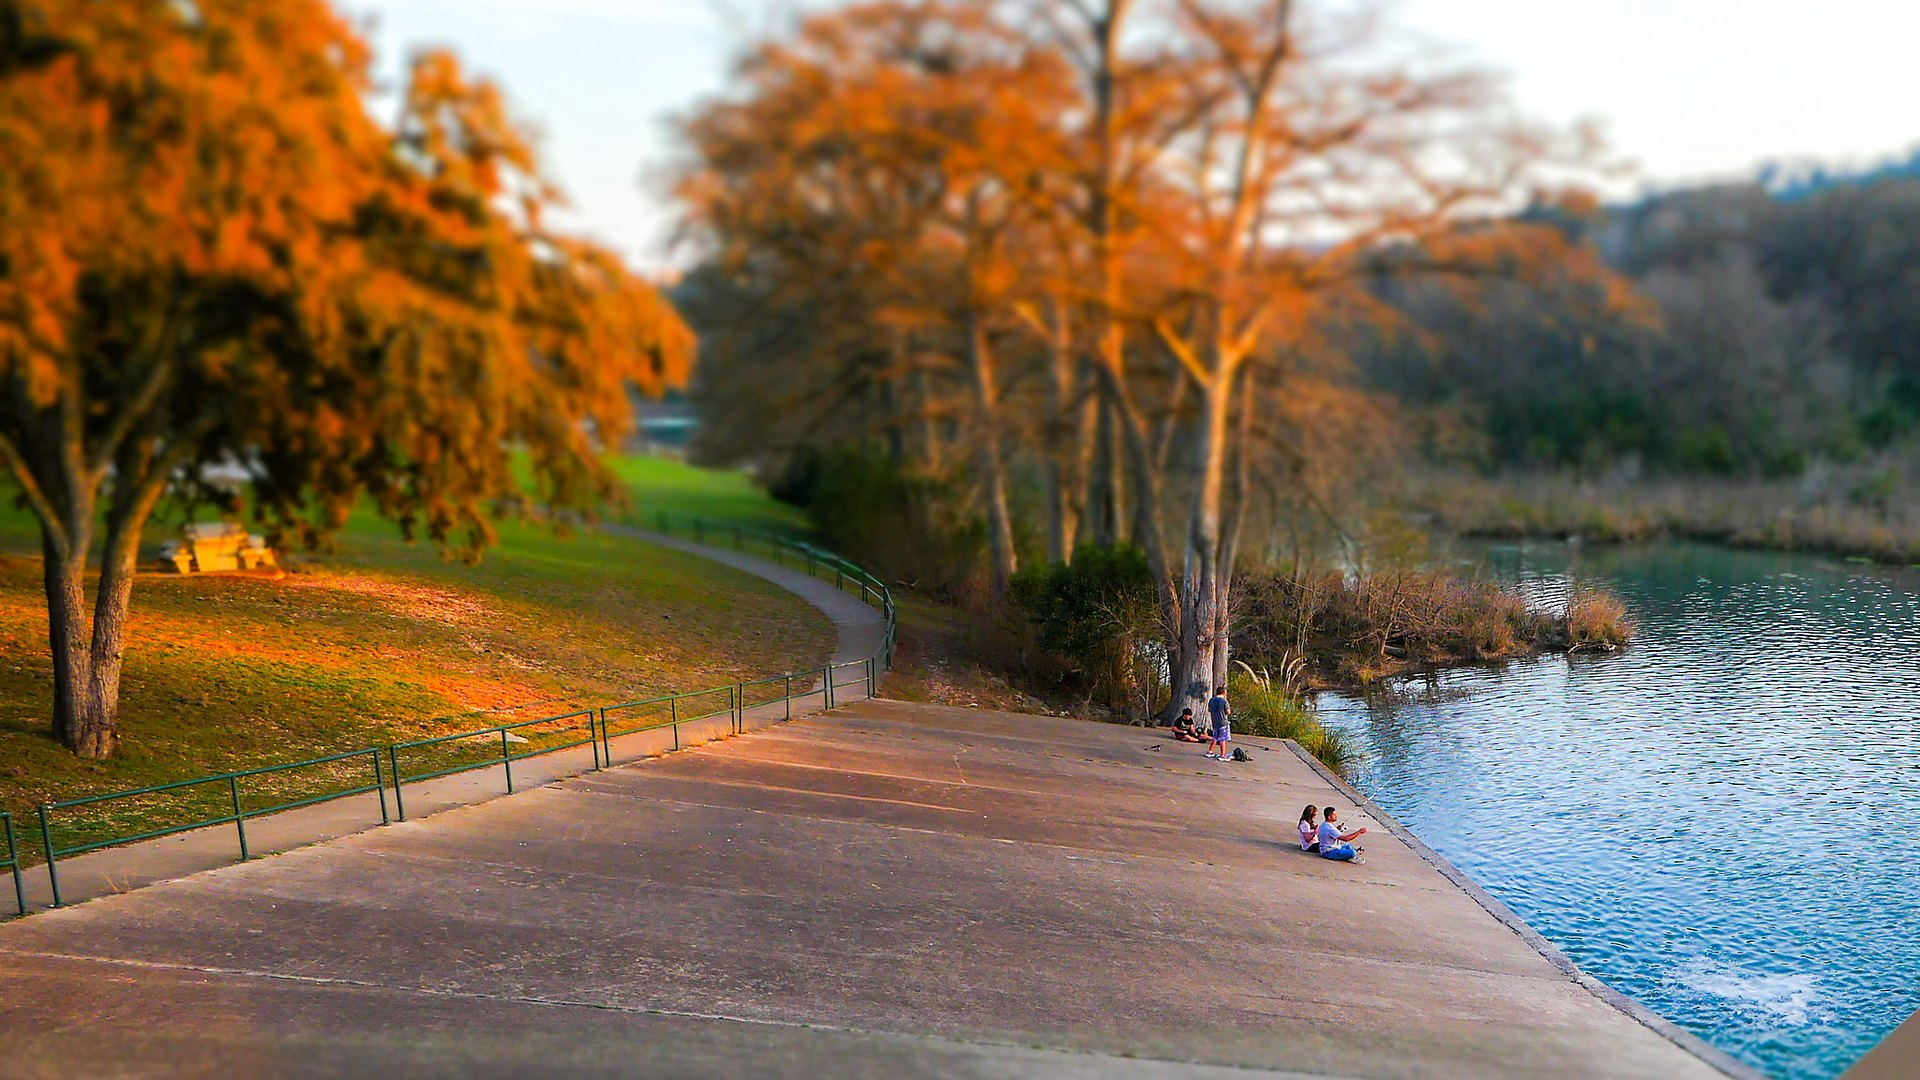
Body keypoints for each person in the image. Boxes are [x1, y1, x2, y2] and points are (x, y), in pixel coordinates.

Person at [1203, 686, 1231, 760]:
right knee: (1223, 738)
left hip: (1215, 722)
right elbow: (1228, 712)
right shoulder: (1224, 701)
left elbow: (1209, 709)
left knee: (1214, 737)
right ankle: (1222, 755)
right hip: (1223, 722)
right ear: (1223, 693)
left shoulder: (1211, 700)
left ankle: (1210, 751)